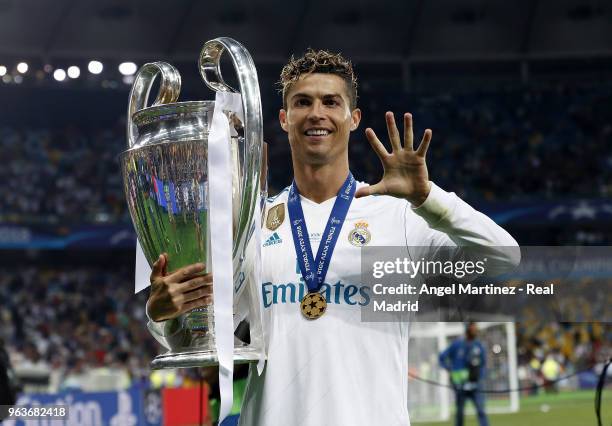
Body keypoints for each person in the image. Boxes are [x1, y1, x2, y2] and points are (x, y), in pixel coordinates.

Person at [146, 49, 520, 425]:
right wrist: (167, 317)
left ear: (352, 118)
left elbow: (505, 258)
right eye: (302, 102)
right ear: (283, 119)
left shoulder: (399, 217)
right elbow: (206, 345)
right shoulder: (252, 226)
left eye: (331, 102)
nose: (316, 113)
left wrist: (429, 198)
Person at [439, 322, 489, 426]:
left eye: (476, 328)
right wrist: (450, 369)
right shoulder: (457, 344)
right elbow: (442, 357)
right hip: (460, 384)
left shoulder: (479, 345)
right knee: (460, 412)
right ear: (467, 329)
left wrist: (480, 377)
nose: (475, 330)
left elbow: (483, 363)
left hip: (476, 384)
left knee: (481, 410)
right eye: (473, 328)